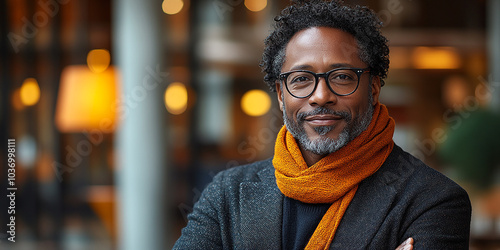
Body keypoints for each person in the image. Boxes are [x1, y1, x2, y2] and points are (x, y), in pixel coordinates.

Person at [174, 0, 471, 249]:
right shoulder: (228, 193)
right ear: (280, 95)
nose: (320, 96)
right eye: (301, 79)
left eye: (342, 76)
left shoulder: (433, 200)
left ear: (374, 88)